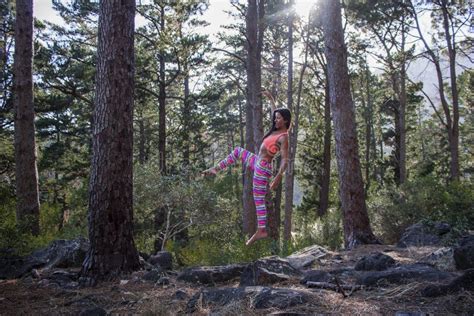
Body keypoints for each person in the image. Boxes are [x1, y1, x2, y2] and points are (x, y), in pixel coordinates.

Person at [202, 91, 291, 246]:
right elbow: (274, 111)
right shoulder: (276, 129)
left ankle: (261, 230)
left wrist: (278, 177)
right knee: (237, 151)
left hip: (263, 168)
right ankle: (216, 169)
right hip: (257, 162)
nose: (275, 120)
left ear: (285, 121)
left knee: (258, 198)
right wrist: (271, 99)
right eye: (275, 118)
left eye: (278, 118)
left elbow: (285, 160)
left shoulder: (283, 137)